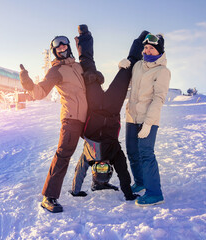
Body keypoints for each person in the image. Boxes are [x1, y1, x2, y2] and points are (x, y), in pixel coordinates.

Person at [70, 25, 147, 201]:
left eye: (99, 169)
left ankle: (84, 36)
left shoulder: (88, 156)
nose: (102, 165)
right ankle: (141, 40)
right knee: (127, 70)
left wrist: (75, 191)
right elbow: (124, 172)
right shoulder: (115, 154)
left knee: (88, 67)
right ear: (110, 169)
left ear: (94, 169)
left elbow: (79, 172)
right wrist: (128, 194)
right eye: (106, 169)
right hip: (112, 107)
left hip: (95, 105)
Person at [19, 35, 88, 213]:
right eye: (57, 46)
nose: (62, 47)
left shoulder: (79, 66)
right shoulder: (55, 71)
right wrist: (28, 84)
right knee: (63, 155)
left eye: (64, 44)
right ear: (54, 51)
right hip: (71, 118)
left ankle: (100, 181)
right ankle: (49, 197)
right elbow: (40, 93)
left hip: (88, 117)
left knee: (101, 147)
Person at [124, 33, 171, 206]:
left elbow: (159, 98)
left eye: (151, 48)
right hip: (131, 117)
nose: (147, 50)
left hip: (148, 119)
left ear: (158, 50)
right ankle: (141, 181)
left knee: (146, 154)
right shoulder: (137, 66)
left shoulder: (163, 71)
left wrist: (148, 123)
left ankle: (154, 193)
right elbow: (127, 84)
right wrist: (123, 66)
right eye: (145, 47)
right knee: (132, 153)